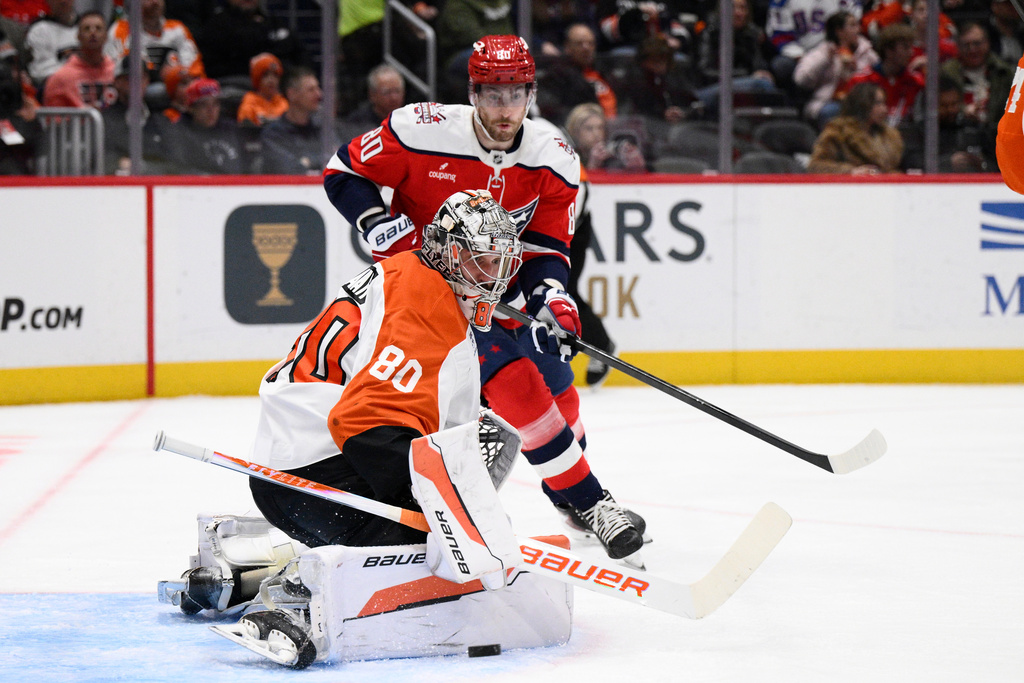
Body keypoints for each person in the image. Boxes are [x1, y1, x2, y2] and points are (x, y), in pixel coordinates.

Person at [323, 35, 648, 562]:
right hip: (428, 295)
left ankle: (567, 492)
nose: (505, 108)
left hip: (505, 292)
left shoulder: (554, 157)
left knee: (560, 389)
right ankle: (592, 501)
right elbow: (343, 171)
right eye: (493, 95)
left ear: (531, 93)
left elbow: (546, 246)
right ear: (472, 93)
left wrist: (552, 299)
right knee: (516, 383)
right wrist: (375, 222)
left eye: (515, 94)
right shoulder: (419, 130)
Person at [695, 0, 781, 118]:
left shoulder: (751, 34)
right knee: (760, 85)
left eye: (743, 8)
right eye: (734, 8)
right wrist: (747, 76)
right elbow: (704, 72)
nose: (739, 13)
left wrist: (763, 73)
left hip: (745, 84)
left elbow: (758, 65)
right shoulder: (710, 32)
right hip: (711, 87)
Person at [794, 10, 879, 128]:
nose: (858, 30)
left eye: (857, 25)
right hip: (829, 102)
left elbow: (880, 76)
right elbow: (801, 80)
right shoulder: (823, 51)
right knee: (832, 111)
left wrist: (856, 70)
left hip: (861, 103)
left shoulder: (866, 52)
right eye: (852, 25)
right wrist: (826, 59)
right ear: (839, 31)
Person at [196, 0, 306, 86]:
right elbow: (213, 67)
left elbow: (299, 53)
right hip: (238, 86)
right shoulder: (216, 26)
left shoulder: (274, 22)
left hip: (280, 84)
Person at [941, 21, 1014, 144]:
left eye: (977, 43)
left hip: (997, 138)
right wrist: (961, 111)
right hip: (956, 136)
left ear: (987, 43)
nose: (972, 49)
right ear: (958, 46)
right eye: (966, 45)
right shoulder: (946, 72)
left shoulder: (1004, 72)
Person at [807, 80, 904, 173]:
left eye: (884, 103)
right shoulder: (838, 131)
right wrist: (850, 171)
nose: (884, 109)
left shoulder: (889, 136)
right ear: (863, 104)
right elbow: (816, 166)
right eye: (878, 103)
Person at [902, 73, 992, 172]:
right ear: (930, 107)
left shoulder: (971, 128)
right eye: (944, 106)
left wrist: (981, 163)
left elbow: (995, 163)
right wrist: (947, 163)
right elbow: (912, 164)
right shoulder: (917, 133)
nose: (950, 110)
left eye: (954, 104)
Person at [101, 55, 174, 175]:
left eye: (142, 78)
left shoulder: (161, 120)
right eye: (130, 78)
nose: (137, 83)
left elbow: (174, 161)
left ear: (148, 81)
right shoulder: (105, 120)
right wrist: (117, 162)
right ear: (117, 82)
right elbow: (100, 158)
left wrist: (147, 167)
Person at [104, 0, 205, 85]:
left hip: (180, 86)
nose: (155, 2)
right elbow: (118, 67)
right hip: (139, 89)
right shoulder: (121, 29)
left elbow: (194, 65)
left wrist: (175, 75)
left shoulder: (177, 28)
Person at [536, 23, 617, 127]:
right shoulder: (557, 76)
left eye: (590, 43)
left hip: (614, 127)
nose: (586, 48)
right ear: (567, 47)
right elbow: (555, 112)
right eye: (580, 43)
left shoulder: (604, 71)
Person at [164, 76, 246, 173]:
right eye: (204, 104)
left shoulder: (231, 129)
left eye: (215, 104)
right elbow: (179, 170)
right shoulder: (178, 134)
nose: (211, 111)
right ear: (191, 108)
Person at [847, 23, 924, 126]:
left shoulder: (916, 81)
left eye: (911, 47)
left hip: (907, 136)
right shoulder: (860, 80)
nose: (911, 53)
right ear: (888, 51)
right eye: (905, 47)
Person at [613, 33, 697, 126]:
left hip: (680, 123)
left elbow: (689, 98)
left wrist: (681, 111)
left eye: (663, 60)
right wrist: (663, 113)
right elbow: (641, 109)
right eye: (655, 61)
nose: (660, 65)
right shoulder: (635, 79)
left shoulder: (674, 75)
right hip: (649, 124)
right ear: (644, 61)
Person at [41, 11, 115, 108]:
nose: (93, 33)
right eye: (87, 28)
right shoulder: (60, 78)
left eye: (98, 28)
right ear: (78, 36)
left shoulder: (115, 72)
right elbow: (53, 119)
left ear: (106, 36)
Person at [259, 65, 323, 175]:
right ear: (292, 94)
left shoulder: (322, 129)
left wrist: (307, 162)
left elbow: (342, 160)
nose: (319, 94)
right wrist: (320, 162)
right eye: (311, 90)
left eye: (318, 88)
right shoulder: (273, 134)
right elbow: (289, 170)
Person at [564, 101, 646, 172]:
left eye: (600, 128)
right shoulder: (567, 156)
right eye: (589, 128)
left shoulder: (613, 155)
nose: (596, 134)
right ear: (575, 131)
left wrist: (636, 167)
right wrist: (593, 166)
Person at [23, 0, 77, 90]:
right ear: (48, 1)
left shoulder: (85, 26)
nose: (63, 1)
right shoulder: (39, 30)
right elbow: (38, 71)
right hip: (54, 88)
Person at [341, 62, 405, 136]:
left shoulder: (410, 119)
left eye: (397, 91)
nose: (394, 98)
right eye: (387, 92)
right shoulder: (356, 123)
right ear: (372, 95)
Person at [235, 51, 286, 127]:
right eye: (266, 75)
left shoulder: (283, 102)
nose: (271, 80)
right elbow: (245, 132)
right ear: (257, 79)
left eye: (275, 75)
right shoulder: (249, 102)